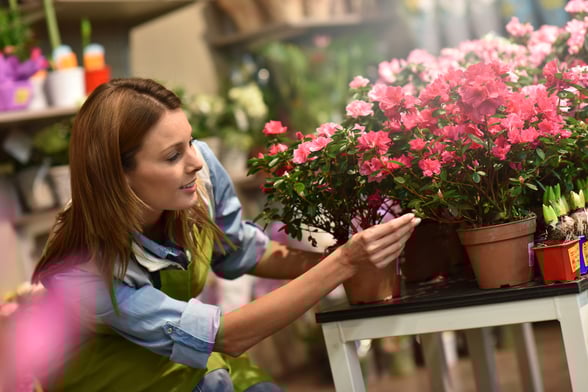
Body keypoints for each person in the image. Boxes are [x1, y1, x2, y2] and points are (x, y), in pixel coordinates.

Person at [32, 78, 421, 391]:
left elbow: (242, 252)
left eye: (190, 141)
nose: (195, 161)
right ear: (117, 177)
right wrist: (345, 262)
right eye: (172, 156)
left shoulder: (197, 180)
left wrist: (359, 258)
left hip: (193, 367)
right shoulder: (81, 269)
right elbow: (227, 337)